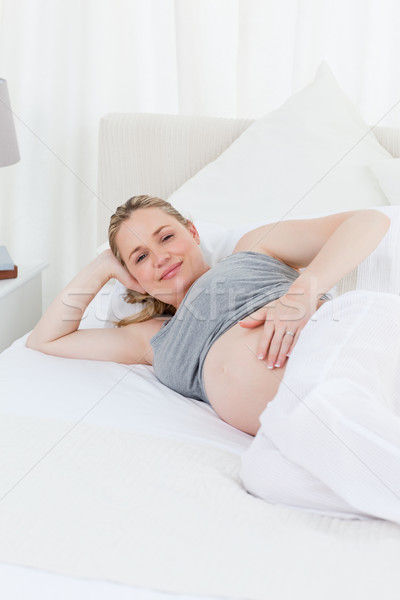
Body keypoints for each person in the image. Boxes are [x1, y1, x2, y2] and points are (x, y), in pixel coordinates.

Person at [26, 195, 390, 437]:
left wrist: (303, 291)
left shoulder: (253, 248)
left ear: (194, 231)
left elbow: (369, 221)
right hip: (308, 424)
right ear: (134, 278)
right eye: (139, 257)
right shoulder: (151, 339)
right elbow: (45, 339)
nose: (160, 257)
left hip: (352, 345)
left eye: (166, 237)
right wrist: (102, 266)